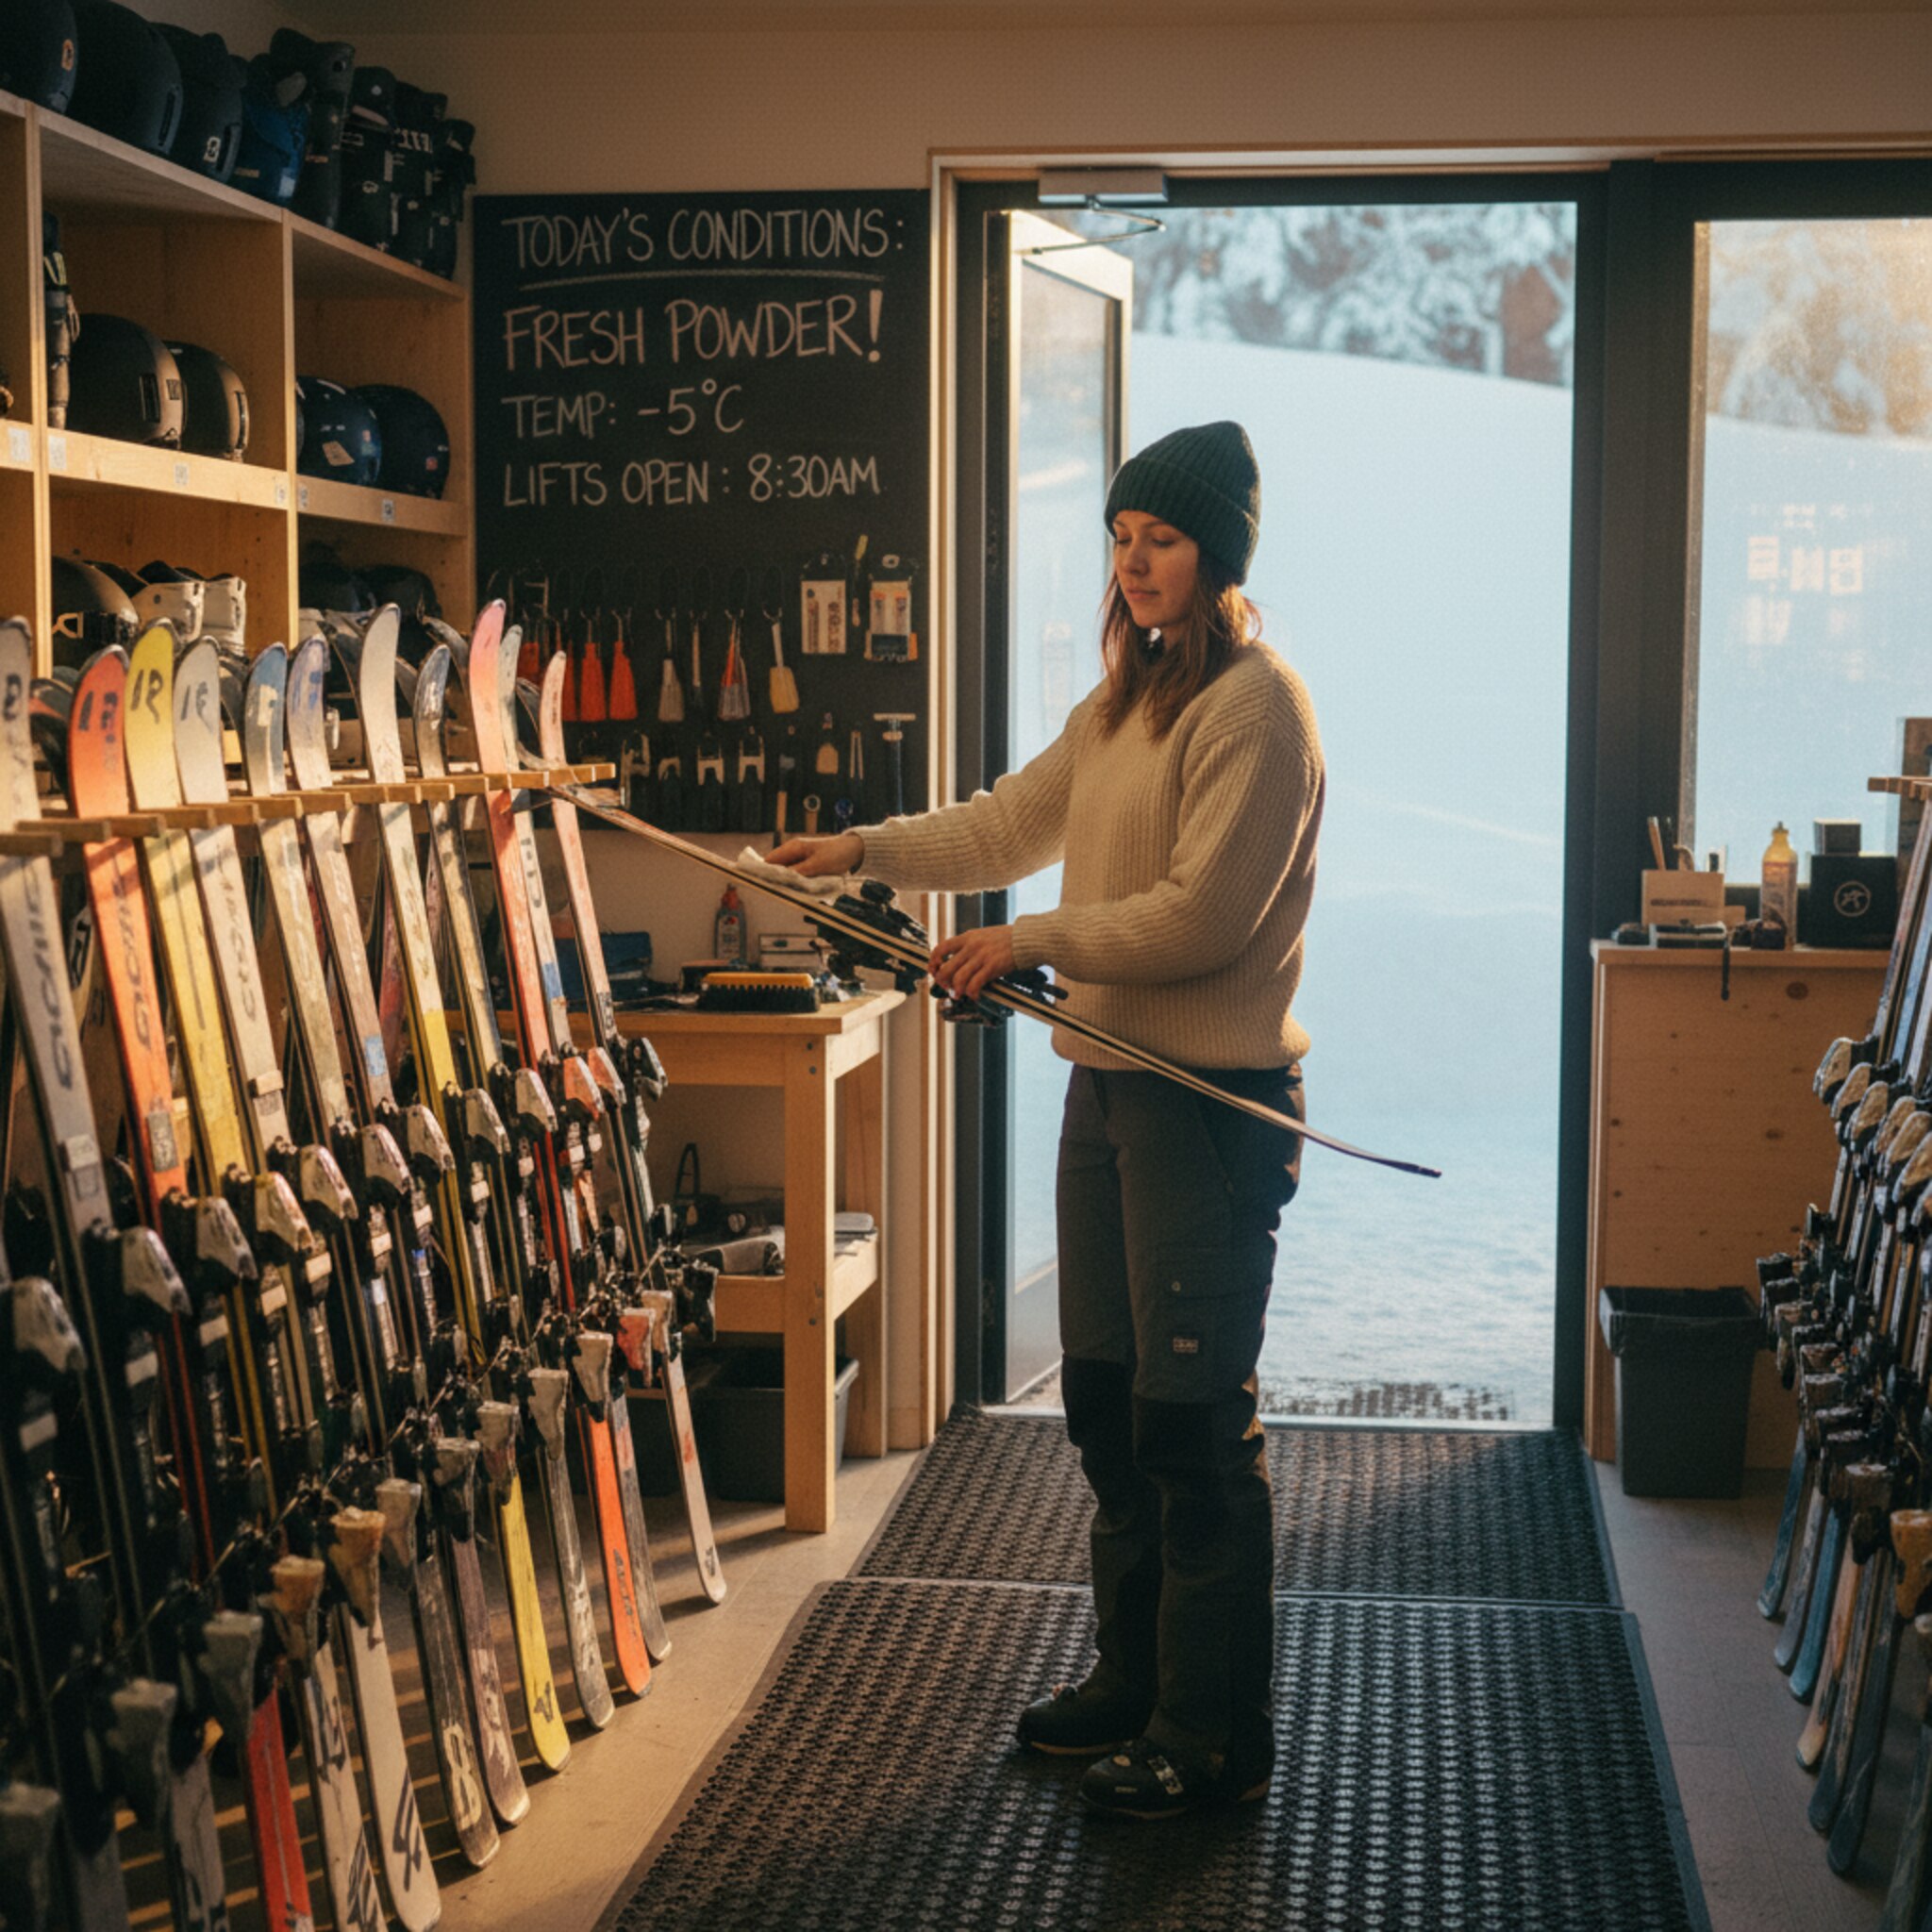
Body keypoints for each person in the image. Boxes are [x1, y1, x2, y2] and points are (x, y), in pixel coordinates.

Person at [769, 420, 1324, 1820]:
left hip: (1207, 1107)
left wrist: (1028, 945)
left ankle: (1214, 1730)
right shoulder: (1126, 699)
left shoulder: (1258, 709)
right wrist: (864, 852)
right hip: (1107, 1086)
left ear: (1222, 556)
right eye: (1124, 539)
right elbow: (1010, 824)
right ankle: (1129, 1682)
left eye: (1167, 541)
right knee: (1107, 1406)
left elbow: (1204, 918)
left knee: (1194, 1427)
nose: (1136, 564)